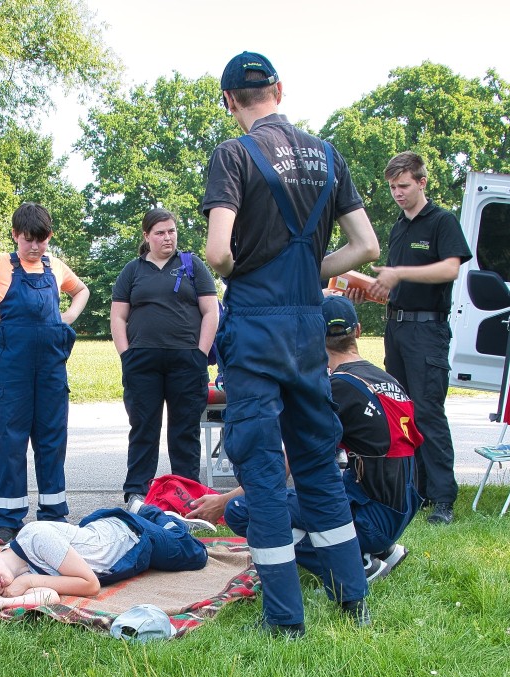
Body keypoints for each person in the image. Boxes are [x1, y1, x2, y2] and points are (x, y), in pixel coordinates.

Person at [202, 51, 380, 636]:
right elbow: (366, 247)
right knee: (317, 463)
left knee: (259, 465)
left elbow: (219, 253)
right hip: (307, 327)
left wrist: (247, 271)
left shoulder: (233, 155)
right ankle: (353, 599)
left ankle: (284, 618)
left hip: (255, 326)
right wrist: (308, 271)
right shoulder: (328, 155)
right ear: (279, 90)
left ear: (230, 100)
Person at [193, 295, 424, 582]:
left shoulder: (335, 389)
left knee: (243, 511)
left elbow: (285, 465)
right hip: (401, 507)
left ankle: (358, 564)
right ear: (359, 331)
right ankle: (384, 550)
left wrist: (224, 500)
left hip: (373, 519)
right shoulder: (386, 379)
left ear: (312, 337)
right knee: (312, 494)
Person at [0, 203, 90, 547]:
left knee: (52, 438)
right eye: (28, 240)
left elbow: (81, 290)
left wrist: (67, 316)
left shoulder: (55, 267)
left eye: (41, 240)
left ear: (49, 237)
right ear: (15, 236)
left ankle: (54, 515)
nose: (35, 247)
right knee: (11, 440)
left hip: (52, 367)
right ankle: (9, 520)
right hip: (13, 367)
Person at [371, 151, 472, 525]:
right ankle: (415, 490)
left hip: (427, 330)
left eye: (404, 186)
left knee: (427, 413)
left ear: (422, 182)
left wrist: (399, 274)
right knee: (401, 413)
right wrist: (374, 288)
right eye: (393, 187)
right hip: (396, 327)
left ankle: (442, 499)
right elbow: (396, 280)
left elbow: (450, 269)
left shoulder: (441, 221)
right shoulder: (399, 226)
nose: (397, 193)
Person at [111, 208, 220, 507]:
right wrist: (127, 355)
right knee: (144, 427)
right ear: (147, 236)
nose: (167, 237)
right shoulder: (132, 271)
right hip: (142, 363)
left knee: (184, 430)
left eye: (171, 230)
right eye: (160, 232)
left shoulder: (191, 265)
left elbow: (211, 311)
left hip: (187, 360)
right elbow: (118, 318)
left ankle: (188, 496)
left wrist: (200, 353)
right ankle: (137, 492)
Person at [0, 504, 208, 611]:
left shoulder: (34, 536)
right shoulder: (18, 577)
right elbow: (50, 596)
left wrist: (29, 584)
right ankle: (147, 512)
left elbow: (90, 585)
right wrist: (2, 603)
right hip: (102, 539)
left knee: (196, 555)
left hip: (133, 537)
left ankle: (162, 518)